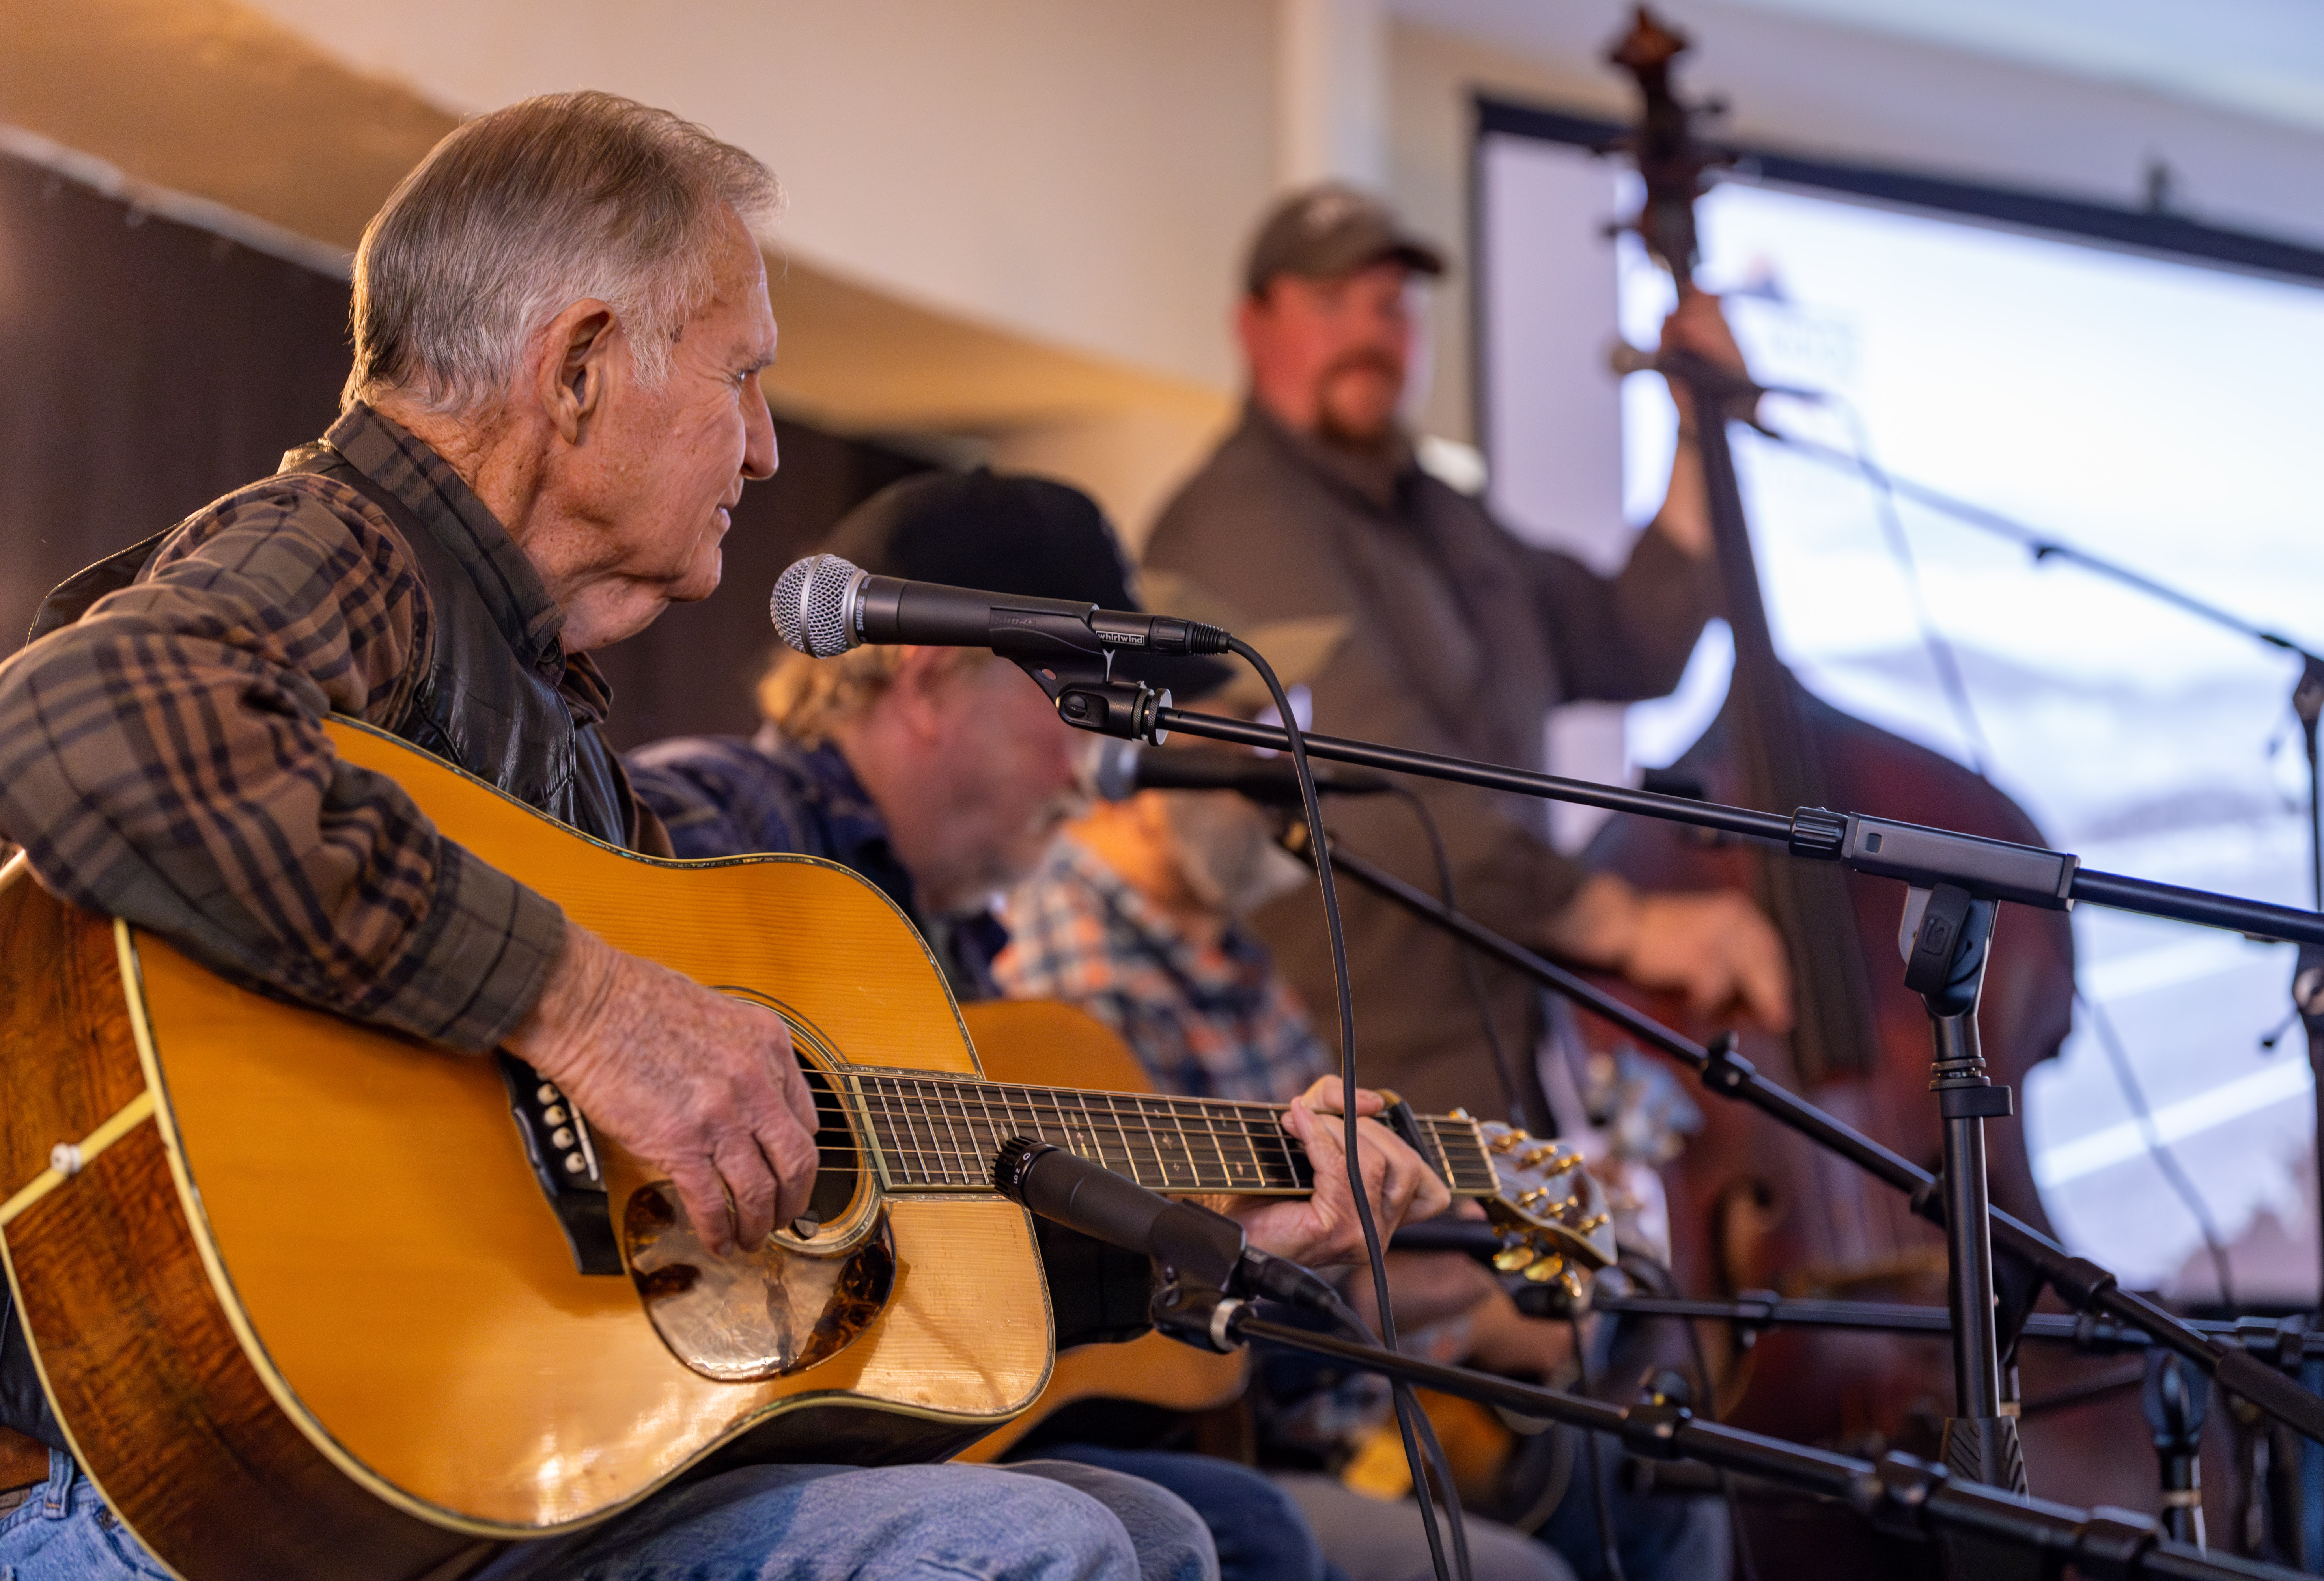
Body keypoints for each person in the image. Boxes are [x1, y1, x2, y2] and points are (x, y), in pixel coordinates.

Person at [0, 92, 1214, 1581]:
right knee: (1026, 1548)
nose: (766, 450)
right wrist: (591, 1006)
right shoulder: (351, 543)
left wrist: (1212, 1227)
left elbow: (766, 1228)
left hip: (463, 1459)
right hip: (155, 1488)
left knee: (1148, 1531)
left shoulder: (549, 718)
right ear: (577, 371)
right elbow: (80, 721)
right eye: (745, 376)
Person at [626, 468, 1454, 1581]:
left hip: (806, 1426)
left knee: (1204, 1522)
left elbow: (935, 1290)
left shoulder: (969, 960)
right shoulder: (715, 819)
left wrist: (1220, 1234)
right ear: (928, 680)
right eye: (1079, 710)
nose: (1097, 774)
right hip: (636, 1414)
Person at [1142, 184, 1792, 1125]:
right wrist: (1631, 922)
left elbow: (1635, 644)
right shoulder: (1240, 521)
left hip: (1509, 1065)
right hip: (1361, 1090)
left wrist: (1699, 432)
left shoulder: (1443, 513)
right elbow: (1389, 789)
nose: (1372, 334)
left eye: (1393, 307)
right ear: (1253, 325)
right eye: (1331, 305)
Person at [998, 756, 1727, 1581]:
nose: (1284, 774)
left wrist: (1427, 1279)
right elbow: (1162, 1323)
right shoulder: (1073, 958)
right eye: (1243, 742)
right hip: (1219, 1436)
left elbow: (1283, 1229)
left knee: (1656, 1475)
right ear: (1140, 777)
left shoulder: (1230, 949)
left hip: (1327, 1408)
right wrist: (1454, 1322)